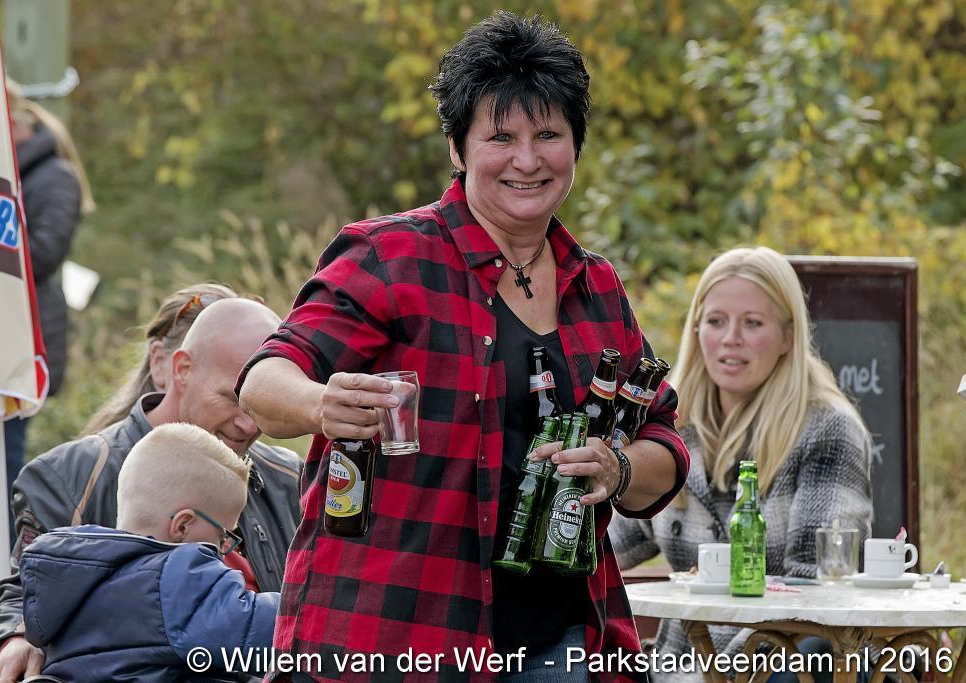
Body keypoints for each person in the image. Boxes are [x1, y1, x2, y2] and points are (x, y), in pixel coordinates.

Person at [237, 12, 689, 681]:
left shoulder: (596, 287)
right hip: (392, 640)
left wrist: (617, 468)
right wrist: (319, 404)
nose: (527, 160)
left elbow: (663, 440)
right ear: (457, 148)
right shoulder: (389, 255)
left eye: (549, 135)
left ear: (576, 145)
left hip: (560, 644)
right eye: (501, 137)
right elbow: (263, 381)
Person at [0, 297, 303, 683]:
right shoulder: (68, 477)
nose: (248, 425)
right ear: (182, 369)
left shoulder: (291, 477)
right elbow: (26, 592)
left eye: (260, 403)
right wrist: (14, 638)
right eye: (232, 399)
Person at [610, 247, 873, 682]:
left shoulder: (827, 429)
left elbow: (818, 591)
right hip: (679, 668)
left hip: (781, 663)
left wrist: (723, 673)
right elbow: (607, 544)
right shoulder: (672, 430)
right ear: (697, 329)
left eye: (753, 323)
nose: (731, 338)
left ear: (788, 335)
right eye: (716, 321)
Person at [0, 82, 94, 604]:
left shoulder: (54, 176)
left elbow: (46, 252)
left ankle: (2, 570)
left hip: (19, 339)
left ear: (13, 122)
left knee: (8, 458)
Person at [20, 423, 278, 682]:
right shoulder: (179, 578)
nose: (224, 550)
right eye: (223, 536)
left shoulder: (71, 582)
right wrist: (300, 599)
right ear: (182, 525)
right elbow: (262, 629)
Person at [80, 282, 239, 435]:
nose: (247, 426)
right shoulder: (99, 451)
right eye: (187, 368)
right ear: (159, 362)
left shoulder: (249, 451)